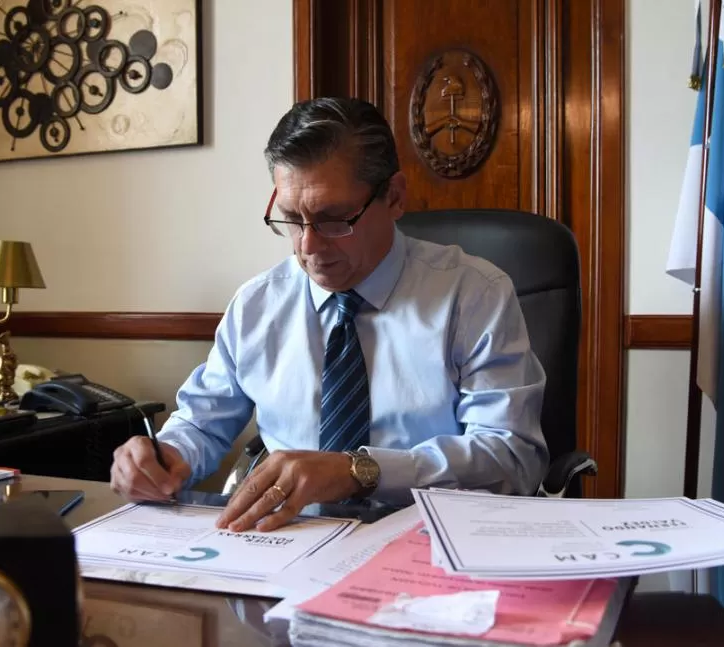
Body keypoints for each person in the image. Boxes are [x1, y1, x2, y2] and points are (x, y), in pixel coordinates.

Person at [110, 97, 549, 532]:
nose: (308, 248)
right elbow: (202, 423)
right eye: (291, 219)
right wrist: (162, 456)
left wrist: (359, 471)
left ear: (394, 197)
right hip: (288, 544)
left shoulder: (473, 295)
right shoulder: (258, 305)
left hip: (429, 543)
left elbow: (510, 457)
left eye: (334, 219)